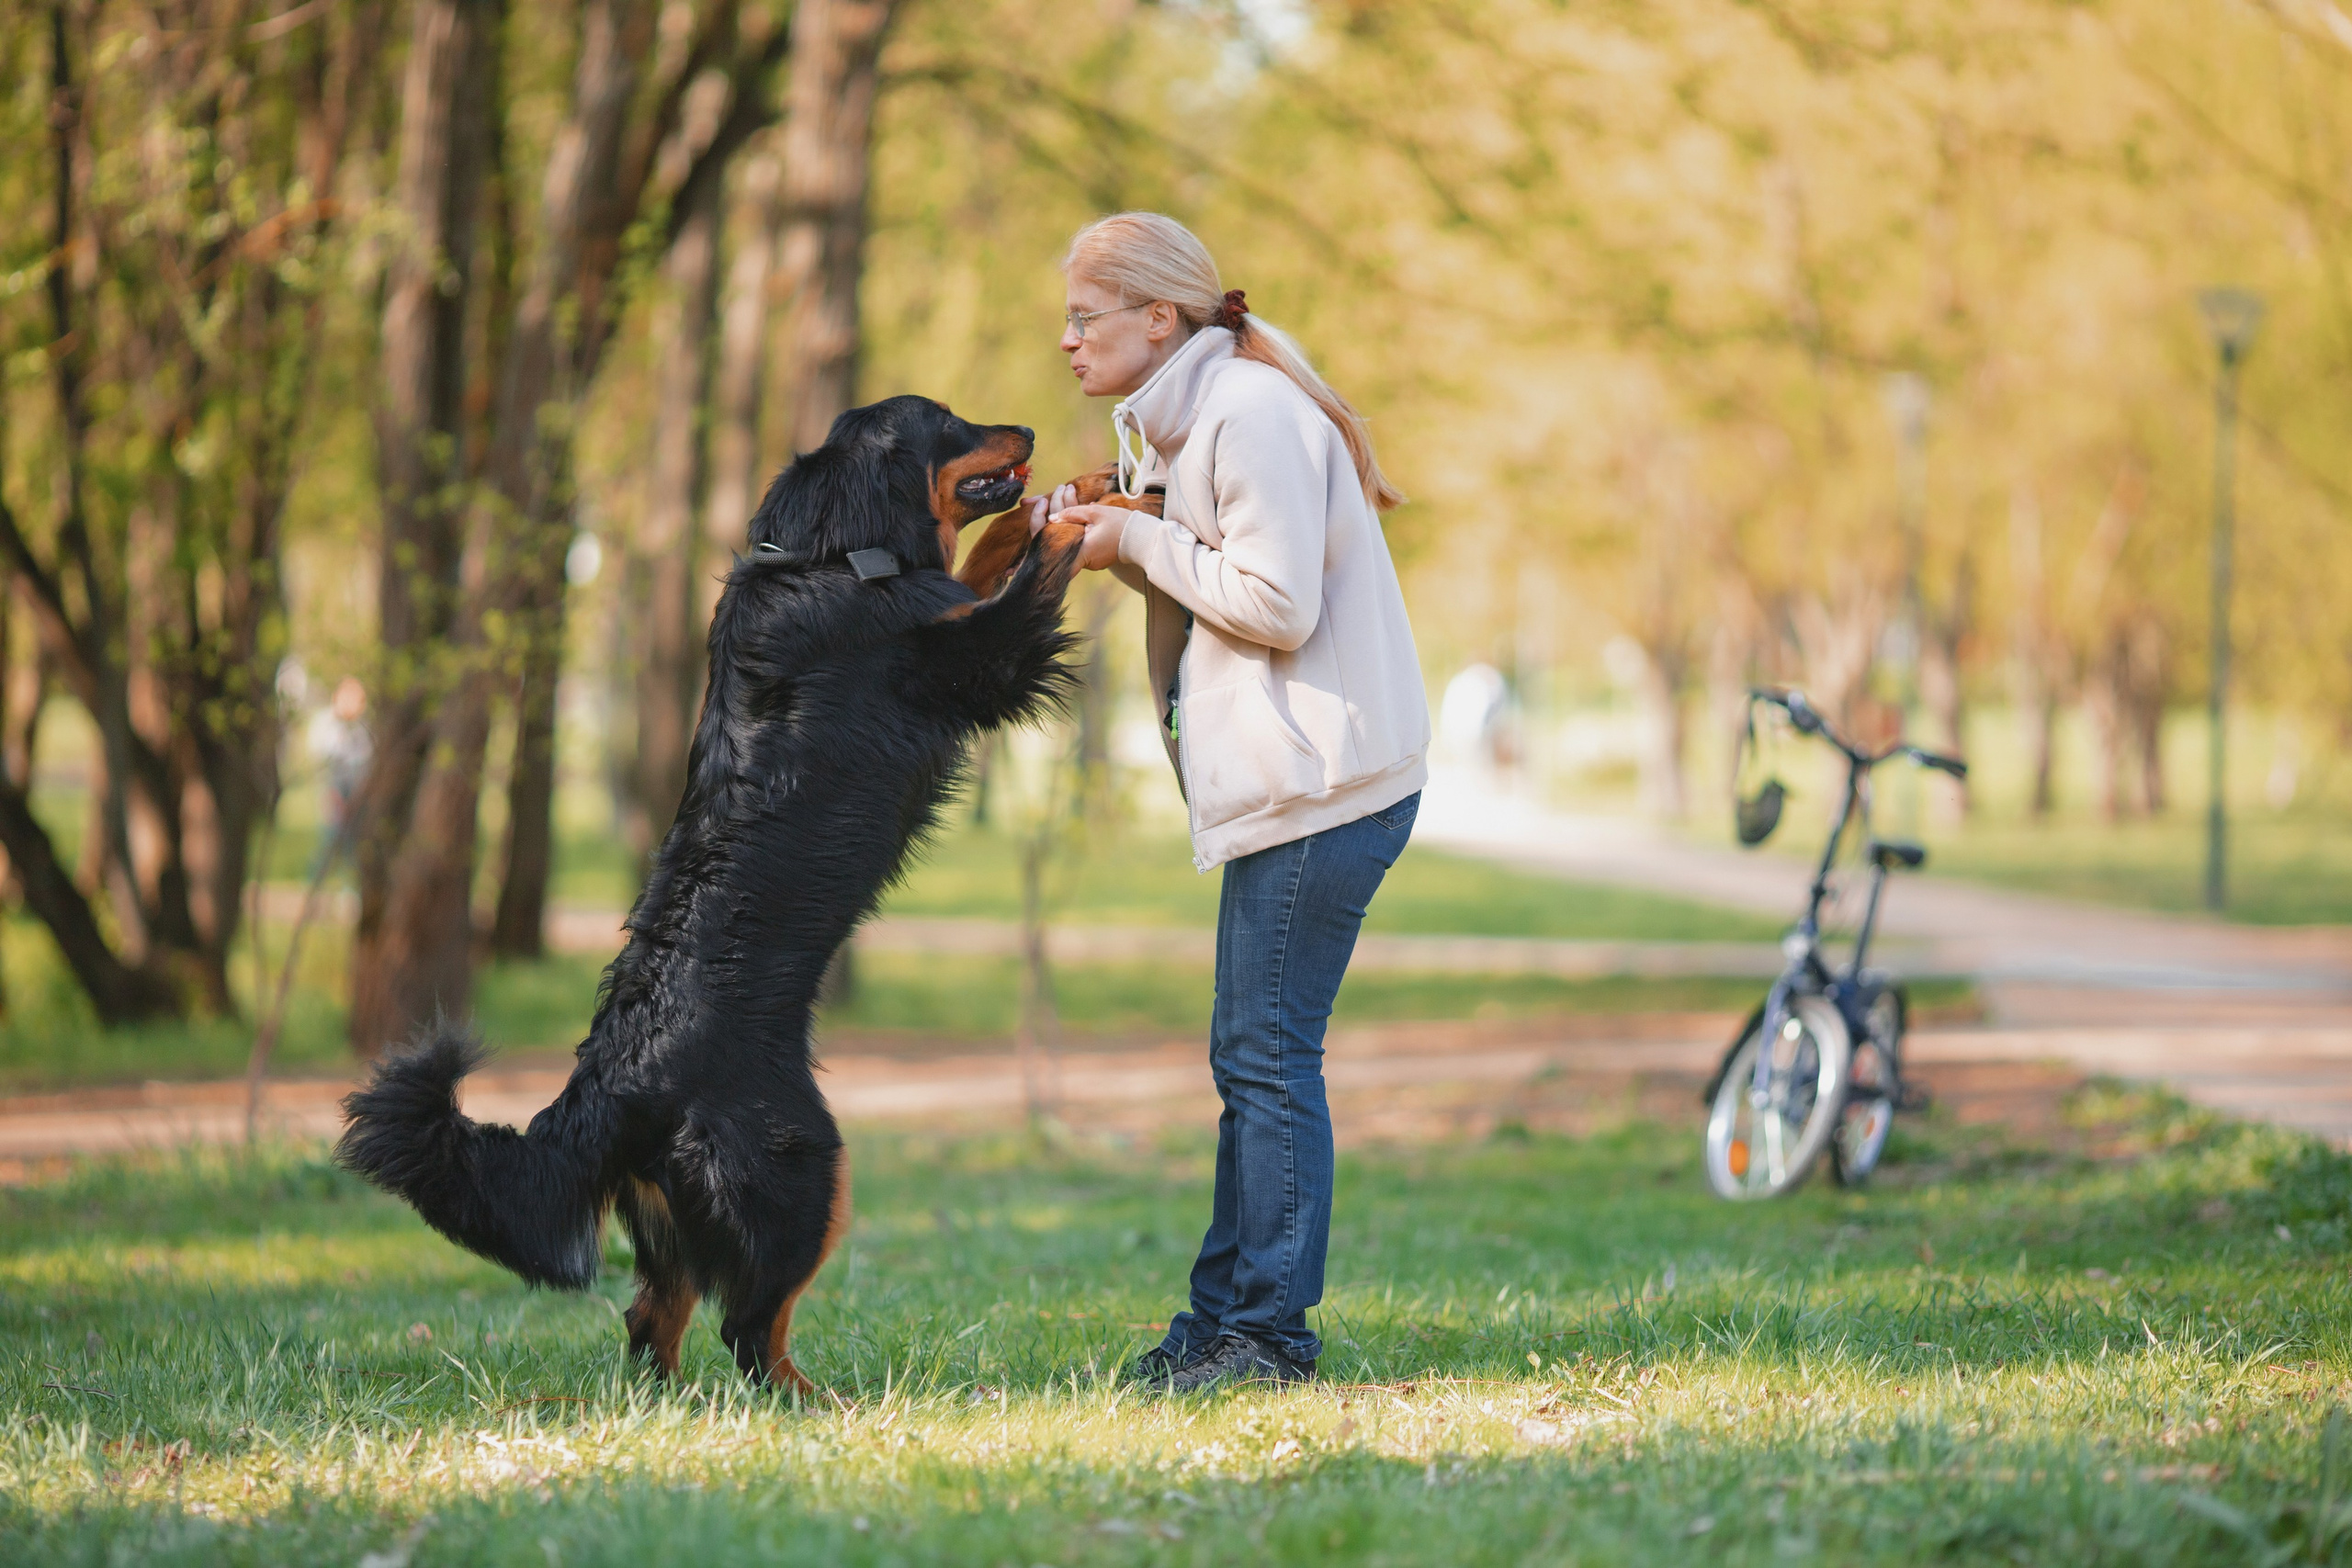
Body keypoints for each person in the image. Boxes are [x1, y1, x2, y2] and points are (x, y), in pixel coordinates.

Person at [1034, 212, 1430, 1392]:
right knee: (1249, 1056)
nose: (1065, 340)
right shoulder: (1198, 414)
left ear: (1160, 320)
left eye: (1082, 317)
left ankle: (1268, 1337)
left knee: (1265, 1059)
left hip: (1327, 787)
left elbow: (1274, 603)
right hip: (1297, 787)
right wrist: (1128, 523)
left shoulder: (1248, 414)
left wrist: (1133, 544)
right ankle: (1221, 1323)